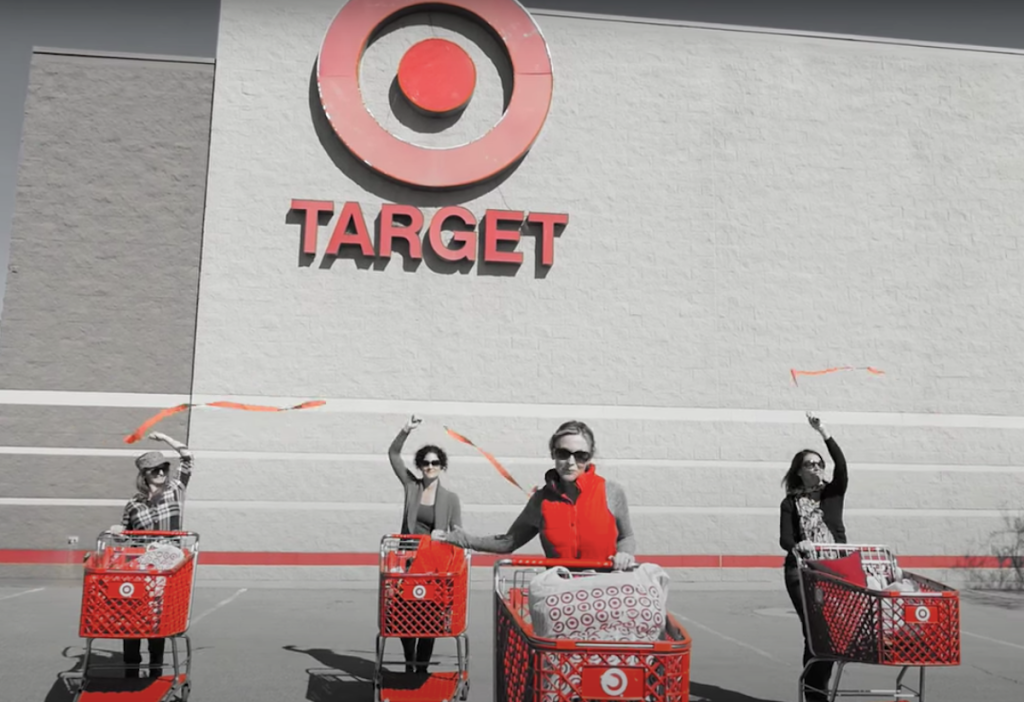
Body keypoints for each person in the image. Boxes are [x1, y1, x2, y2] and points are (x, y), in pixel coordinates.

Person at [434, 420, 637, 571]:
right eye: (563, 453)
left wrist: (625, 553)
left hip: (606, 592)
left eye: (580, 455)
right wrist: (464, 539)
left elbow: (626, 536)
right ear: (553, 454)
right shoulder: (541, 501)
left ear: (590, 456)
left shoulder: (611, 492)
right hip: (561, 596)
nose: (571, 462)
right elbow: (508, 542)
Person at [108, 431, 194, 679]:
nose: (160, 473)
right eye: (154, 470)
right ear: (144, 475)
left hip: (168, 572)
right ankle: (131, 675)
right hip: (140, 572)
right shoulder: (134, 504)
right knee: (132, 622)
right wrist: (118, 532)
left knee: (158, 624)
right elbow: (126, 541)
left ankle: (156, 673)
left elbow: (188, 457)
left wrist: (165, 438)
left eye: (163, 469)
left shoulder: (175, 491)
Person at [779, 412, 849, 702]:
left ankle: (816, 690)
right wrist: (801, 545)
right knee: (815, 632)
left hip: (835, 568)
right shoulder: (791, 502)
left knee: (831, 634)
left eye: (820, 463)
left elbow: (842, 467)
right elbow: (785, 539)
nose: (817, 467)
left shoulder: (833, 493)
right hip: (802, 571)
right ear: (799, 471)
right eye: (810, 464)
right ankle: (815, 696)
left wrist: (824, 432)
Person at [388, 415, 463, 674]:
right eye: (426, 462)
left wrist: (452, 539)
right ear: (420, 466)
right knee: (404, 618)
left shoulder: (450, 499)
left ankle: (421, 669)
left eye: (435, 462)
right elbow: (394, 454)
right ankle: (410, 662)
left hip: (434, 568)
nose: (430, 466)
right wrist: (406, 429)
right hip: (408, 565)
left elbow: (458, 531)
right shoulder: (412, 487)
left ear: (442, 466)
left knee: (428, 621)